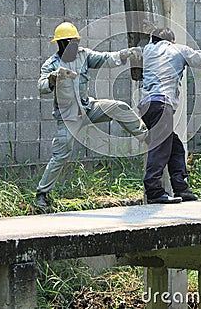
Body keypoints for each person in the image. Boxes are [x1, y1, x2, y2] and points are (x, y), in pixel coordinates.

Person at [36, 21, 147, 209]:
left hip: (88, 108)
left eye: (75, 42)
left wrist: (124, 54)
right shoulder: (52, 64)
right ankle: (42, 194)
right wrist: (53, 79)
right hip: (68, 117)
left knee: (119, 107)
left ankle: (147, 137)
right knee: (60, 156)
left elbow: (105, 58)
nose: (74, 46)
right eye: (70, 42)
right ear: (61, 44)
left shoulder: (84, 55)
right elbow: (41, 86)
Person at [138, 27, 201, 204]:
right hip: (162, 104)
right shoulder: (178, 49)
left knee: (175, 146)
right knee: (160, 148)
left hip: (146, 106)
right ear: (172, 41)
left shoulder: (147, 51)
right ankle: (154, 191)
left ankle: (181, 188)